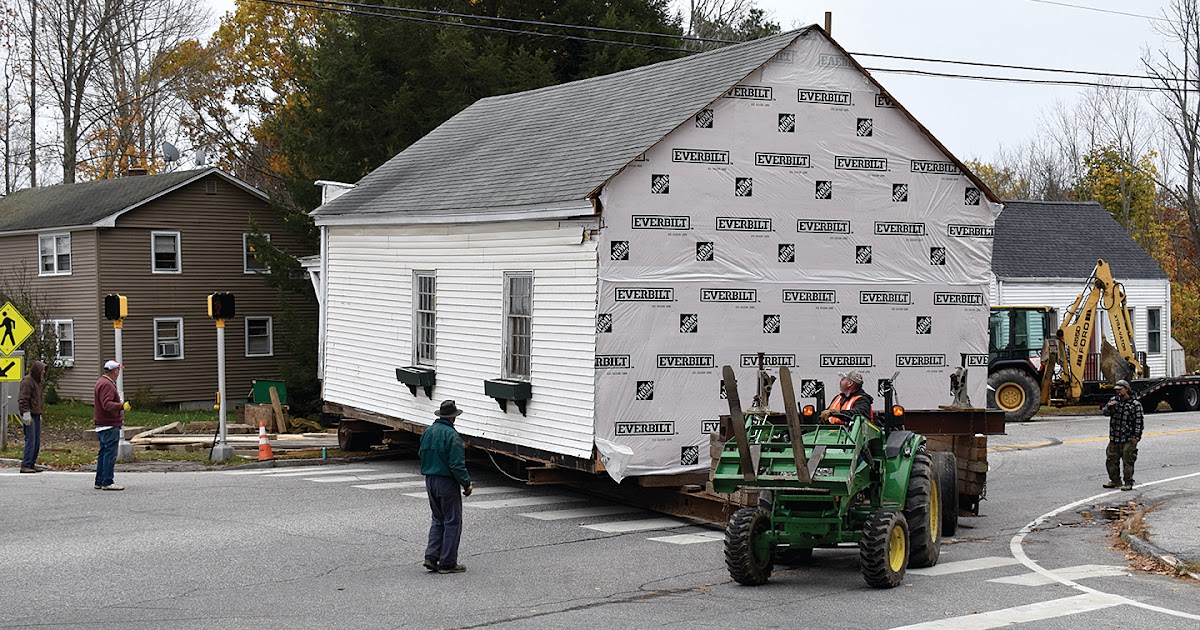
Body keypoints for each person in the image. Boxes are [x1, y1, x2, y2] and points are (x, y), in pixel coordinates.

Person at [420, 400, 473, 574]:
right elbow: (457, 464)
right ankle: (448, 563)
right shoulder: (452, 436)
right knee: (452, 521)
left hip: (430, 479)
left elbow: (421, 454)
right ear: (453, 417)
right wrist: (466, 483)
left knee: (438, 519)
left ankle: (431, 556)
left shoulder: (428, 432)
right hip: (446, 482)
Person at [1101, 379, 1143, 491]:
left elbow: (1139, 421)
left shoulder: (1135, 404)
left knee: (1128, 461)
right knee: (1111, 460)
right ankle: (1115, 480)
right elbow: (1105, 412)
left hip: (1128, 438)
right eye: (1117, 390)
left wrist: (1137, 437)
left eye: (1121, 389)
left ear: (1127, 389)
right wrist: (1110, 407)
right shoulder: (1114, 401)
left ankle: (1128, 482)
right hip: (1115, 437)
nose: (1119, 392)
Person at [93, 360, 128, 491]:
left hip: (102, 424)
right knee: (109, 454)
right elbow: (106, 404)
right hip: (109, 424)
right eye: (118, 370)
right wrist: (121, 406)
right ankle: (107, 481)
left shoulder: (101, 382)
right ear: (114, 371)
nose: (119, 373)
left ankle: (100, 480)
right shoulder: (107, 385)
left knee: (103, 453)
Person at [17, 360, 47, 473]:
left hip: (36, 414)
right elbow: (23, 399)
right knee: (31, 440)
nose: (43, 373)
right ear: (37, 371)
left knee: (36, 441)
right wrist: (26, 413)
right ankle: (25, 464)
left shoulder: (36, 382)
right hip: (28, 414)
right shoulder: (27, 382)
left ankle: (32, 463)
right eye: (42, 371)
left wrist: (39, 413)